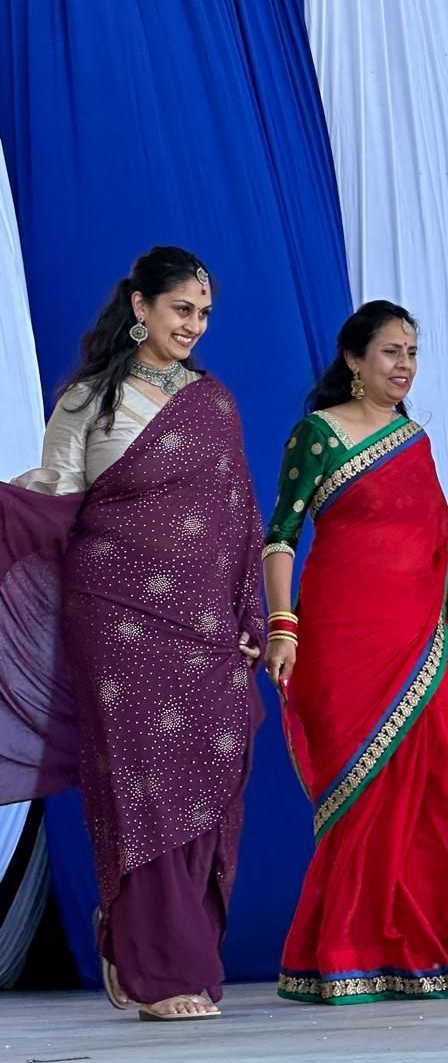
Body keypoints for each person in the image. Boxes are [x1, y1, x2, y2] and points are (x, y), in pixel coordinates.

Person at [0, 247, 264, 1021]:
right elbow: (53, 499)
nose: (194, 325)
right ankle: (159, 968)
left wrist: (251, 616)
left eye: (204, 313)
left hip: (205, 625)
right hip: (115, 620)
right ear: (141, 306)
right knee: (144, 789)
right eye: (182, 308)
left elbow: (240, 522)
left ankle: (132, 932)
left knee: (209, 780)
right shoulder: (88, 399)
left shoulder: (213, 401)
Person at [263, 302, 448, 1003]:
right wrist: (281, 625)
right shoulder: (320, 436)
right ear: (354, 359)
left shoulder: (411, 439)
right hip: (341, 641)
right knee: (363, 801)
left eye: (413, 353)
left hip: (420, 641)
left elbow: (425, 552)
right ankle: (347, 953)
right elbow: (280, 537)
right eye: (391, 351)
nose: (404, 366)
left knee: (446, 785)